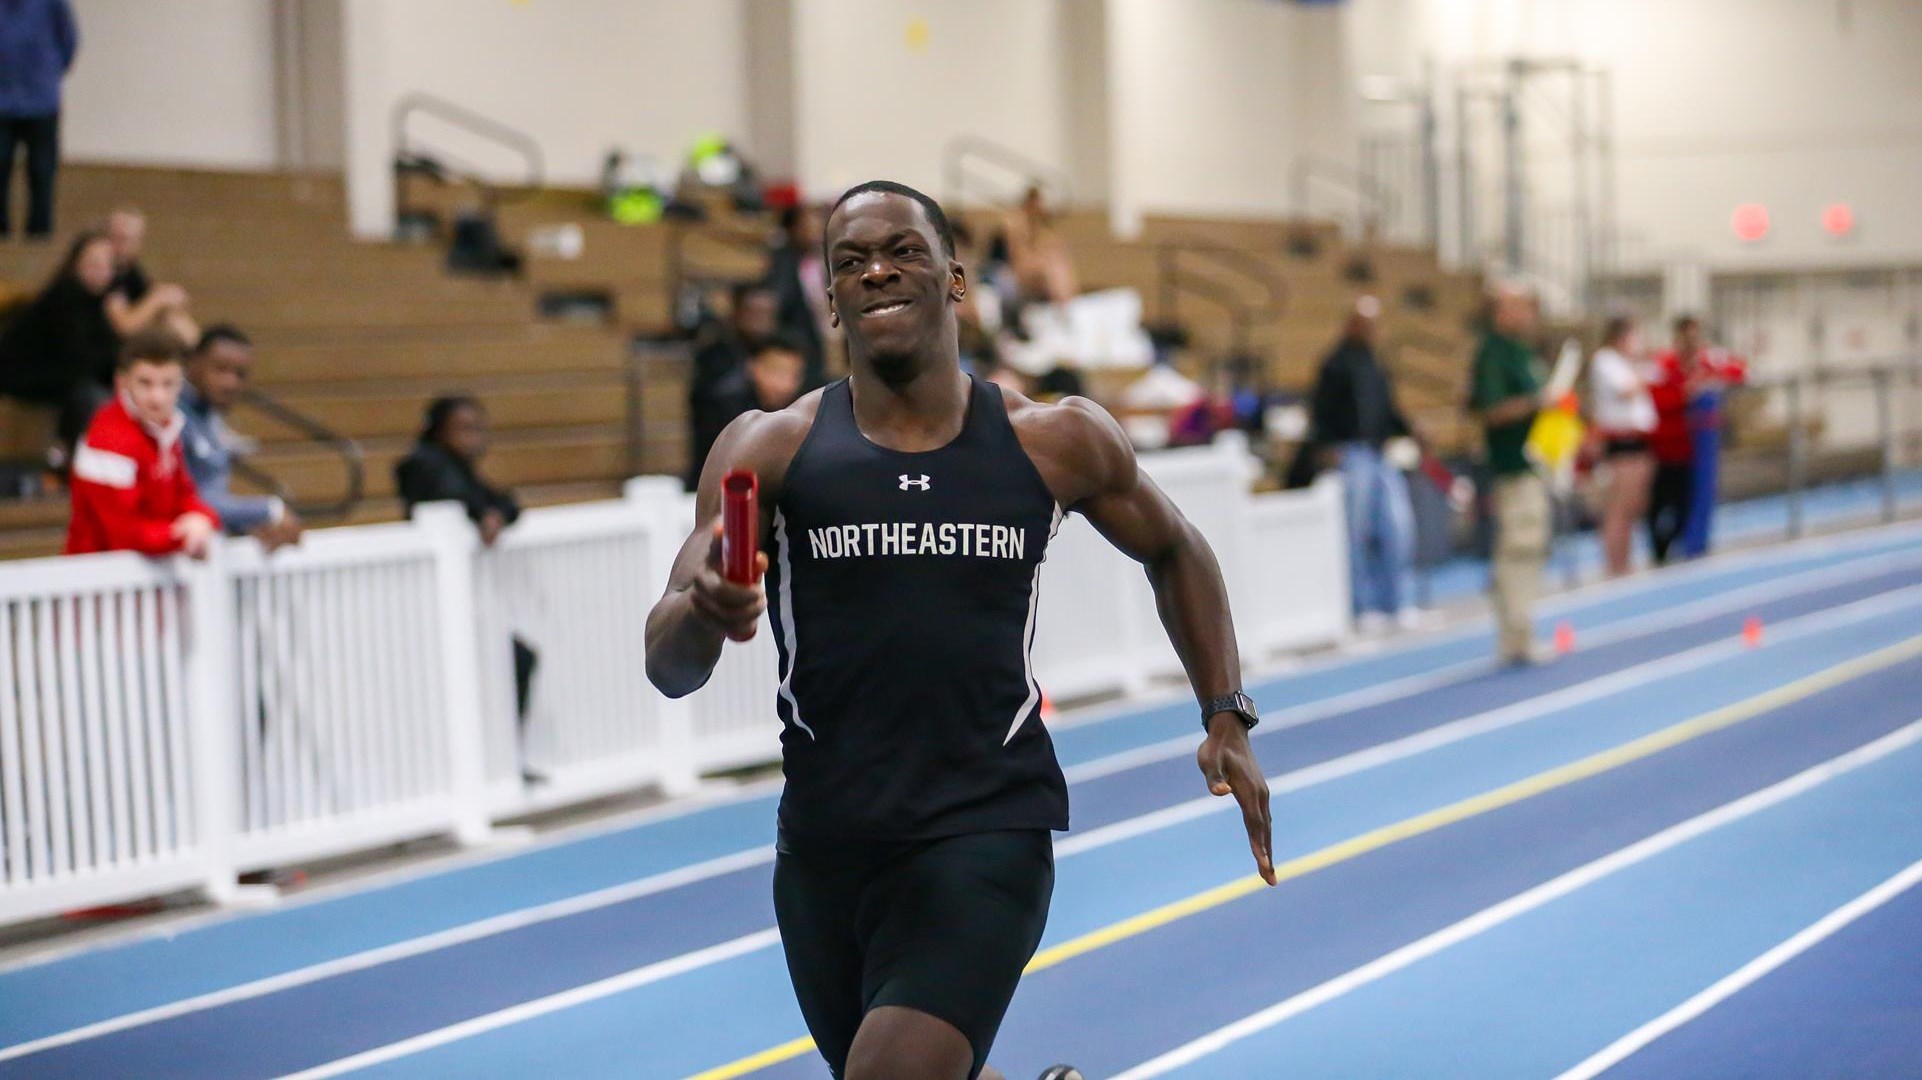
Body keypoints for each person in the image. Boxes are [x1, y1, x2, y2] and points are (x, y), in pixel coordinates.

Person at [645, 181, 1272, 1080]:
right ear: (828, 297)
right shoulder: (766, 449)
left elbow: (1175, 548)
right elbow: (670, 667)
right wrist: (702, 613)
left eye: (903, 249)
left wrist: (1225, 713)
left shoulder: (1050, 439)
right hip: (826, 844)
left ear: (956, 279)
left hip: (987, 828)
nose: (878, 271)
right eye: (851, 260)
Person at [1309, 297, 1421, 630]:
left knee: (1397, 527)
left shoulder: (1375, 362)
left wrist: (1409, 429)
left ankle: (1396, 600)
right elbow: (1321, 411)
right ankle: (1362, 605)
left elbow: (1386, 407)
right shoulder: (1334, 364)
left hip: (1378, 451)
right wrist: (1327, 446)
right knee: (1355, 532)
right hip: (1351, 453)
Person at [65, 330, 219, 558]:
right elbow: (123, 534)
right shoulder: (107, 441)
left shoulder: (165, 429)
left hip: (139, 583)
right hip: (96, 583)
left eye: (168, 384)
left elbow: (184, 495)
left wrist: (202, 518)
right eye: (145, 383)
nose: (158, 397)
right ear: (122, 382)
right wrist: (183, 535)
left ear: (181, 384)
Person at [1469, 283, 1549, 666]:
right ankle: (1515, 635)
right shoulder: (1493, 353)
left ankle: (1521, 629)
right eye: (1520, 307)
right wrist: (1537, 403)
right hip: (1511, 467)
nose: (1528, 314)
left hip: (1534, 461)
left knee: (1530, 546)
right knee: (1517, 546)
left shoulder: (1522, 351)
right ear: (1502, 311)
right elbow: (1492, 410)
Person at [181, 325, 304, 550]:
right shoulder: (171, 416)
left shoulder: (211, 419)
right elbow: (188, 501)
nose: (230, 383)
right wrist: (269, 510)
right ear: (194, 363)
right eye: (220, 369)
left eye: (240, 374)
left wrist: (248, 529)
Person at [0, 231, 118, 448]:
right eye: (93, 262)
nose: (100, 270)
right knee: (94, 397)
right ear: (75, 263)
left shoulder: (97, 303)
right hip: (24, 376)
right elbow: (81, 358)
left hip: (60, 378)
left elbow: (104, 356)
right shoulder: (65, 296)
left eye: (107, 264)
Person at [395, 395, 520, 546]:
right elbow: (453, 496)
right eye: (465, 428)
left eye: (478, 428)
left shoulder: (459, 466)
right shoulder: (424, 463)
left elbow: (506, 502)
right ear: (440, 431)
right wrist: (482, 513)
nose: (473, 438)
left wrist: (497, 514)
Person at [686, 332, 807, 487]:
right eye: (776, 371)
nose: (784, 384)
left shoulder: (803, 405)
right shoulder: (722, 404)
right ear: (753, 366)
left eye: (794, 375)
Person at [0, 0, 77, 240]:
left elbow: (68, 41)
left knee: (42, 171)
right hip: (2, 102)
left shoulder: (52, 3)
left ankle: (39, 233)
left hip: (41, 101)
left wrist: (48, 71)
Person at [1587, 315, 1656, 577]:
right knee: (1618, 505)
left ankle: (1624, 559)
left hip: (1638, 439)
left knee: (1632, 506)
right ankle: (1614, 563)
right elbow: (1625, 391)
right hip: (1620, 440)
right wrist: (1643, 372)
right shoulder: (1605, 361)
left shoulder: (1625, 363)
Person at [103, 208, 200, 345]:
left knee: (175, 319)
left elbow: (149, 295)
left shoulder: (131, 271)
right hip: (105, 349)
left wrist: (168, 298)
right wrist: (158, 299)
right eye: (117, 237)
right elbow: (124, 326)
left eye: (128, 239)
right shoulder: (105, 273)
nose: (121, 246)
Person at [764, 204, 832, 387]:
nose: (815, 231)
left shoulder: (824, 262)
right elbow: (780, 303)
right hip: (801, 345)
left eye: (819, 224)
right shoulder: (782, 262)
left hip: (830, 340)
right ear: (791, 229)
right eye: (807, 225)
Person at [690, 282, 780, 406]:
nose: (761, 321)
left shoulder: (782, 351)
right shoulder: (714, 355)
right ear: (737, 313)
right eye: (754, 313)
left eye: (767, 313)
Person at [1002, 184, 1077, 306]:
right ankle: (1064, 303)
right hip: (1019, 269)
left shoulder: (1040, 224)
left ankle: (1066, 301)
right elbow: (1019, 257)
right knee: (1052, 265)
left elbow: (1052, 245)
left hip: (1037, 265)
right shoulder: (1016, 222)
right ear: (1032, 202)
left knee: (1058, 261)